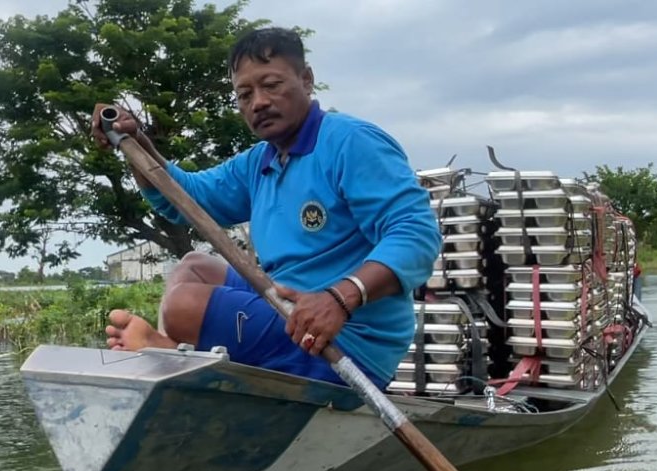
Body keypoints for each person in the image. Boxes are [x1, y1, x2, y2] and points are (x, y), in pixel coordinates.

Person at [91, 27, 441, 389]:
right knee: (193, 267)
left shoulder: (351, 142)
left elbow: (416, 234)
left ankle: (168, 352)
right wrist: (135, 144)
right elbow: (185, 199)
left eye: (271, 85)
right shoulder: (260, 162)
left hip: (347, 342)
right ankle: (175, 353)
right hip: (289, 309)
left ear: (306, 80)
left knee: (183, 306)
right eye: (244, 94)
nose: (257, 102)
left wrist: (340, 298)